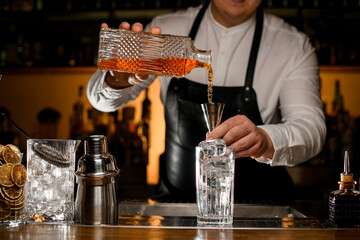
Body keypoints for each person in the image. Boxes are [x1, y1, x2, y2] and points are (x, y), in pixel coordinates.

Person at [87, 0, 326, 204]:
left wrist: (264, 140)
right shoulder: (168, 29)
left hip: (261, 212)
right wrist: (117, 80)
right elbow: (100, 101)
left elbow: (311, 130)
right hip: (175, 209)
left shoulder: (293, 46)